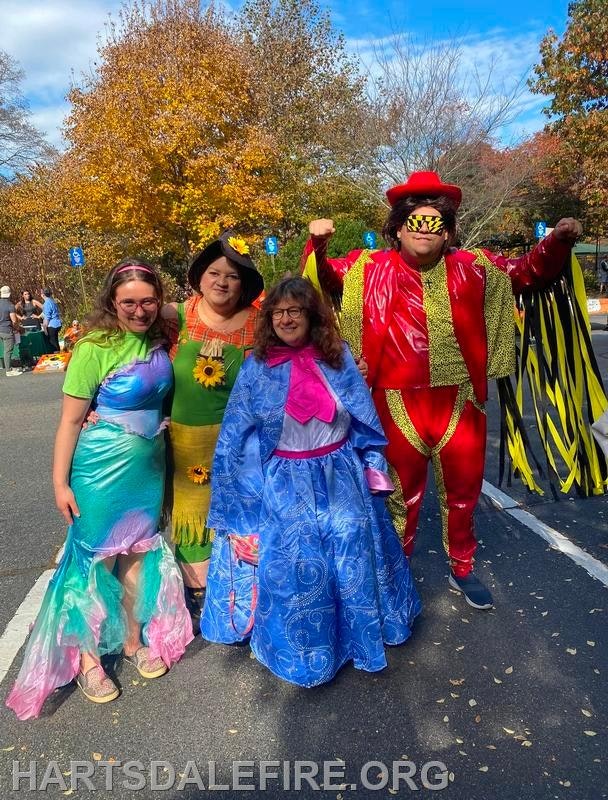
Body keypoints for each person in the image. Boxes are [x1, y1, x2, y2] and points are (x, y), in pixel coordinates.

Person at [304, 171, 583, 610]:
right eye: (415, 221)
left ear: (449, 232)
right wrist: (317, 245)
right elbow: (321, 281)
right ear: (397, 227)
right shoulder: (366, 268)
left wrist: (559, 241)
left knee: (463, 491)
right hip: (394, 401)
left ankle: (462, 568)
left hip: (460, 400)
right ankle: (393, 575)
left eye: (435, 223)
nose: (424, 230)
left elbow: (528, 270)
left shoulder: (475, 268)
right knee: (395, 495)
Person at [201, 276, 421, 687]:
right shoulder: (255, 369)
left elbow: (365, 423)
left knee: (349, 560)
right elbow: (236, 442)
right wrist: (243, 513)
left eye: (295, 310)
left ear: (312, 316)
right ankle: (308, 655)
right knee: (302, 571)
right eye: (279, 312)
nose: (286, 318)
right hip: (285, 483)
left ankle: (356, 640)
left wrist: (373, 470)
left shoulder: (339, 360)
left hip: (341, 477)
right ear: (269, 319)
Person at [6, 260, 192, 720]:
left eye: (148, 300)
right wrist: (59, 483)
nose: (139, 309)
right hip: (100, 469)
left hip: (148, 467)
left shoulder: (159, 335)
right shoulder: (93, 346)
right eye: (128, 301)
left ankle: (132, 642)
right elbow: (70, 421)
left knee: (136, 556)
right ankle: (89, 661)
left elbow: (201, 305)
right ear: (112, 302)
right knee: (93, 561)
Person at [161, 230, 264, 634]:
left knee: (237, 516)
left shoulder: (261, 324)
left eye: (233, 276)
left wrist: (347, 366)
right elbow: (127, 352)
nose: (222, 282)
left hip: (240, 442)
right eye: (215, 273)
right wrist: (98, 407)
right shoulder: (174, 317)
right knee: (191, 515)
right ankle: (196, 590)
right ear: (200, 276)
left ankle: (239, 590)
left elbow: (302, 351)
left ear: (244, 285)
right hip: (184, 442)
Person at [0, 285, 21, 377]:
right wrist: (17, 328)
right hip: (7, 330)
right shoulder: (10, 305)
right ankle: (8, 370)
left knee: (5, 350)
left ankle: (8, 367)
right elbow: (14, 320)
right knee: (8, 350)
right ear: (9, 294)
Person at [41, 287, 62, 352]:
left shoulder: (47, 303)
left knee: (53, 344)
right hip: (58, 323)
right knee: (56, 341)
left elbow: (47, 317)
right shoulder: (53, 301)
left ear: (43, 295)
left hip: (52, 325)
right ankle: (59, 355)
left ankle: (57, 358)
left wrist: (44, 329)